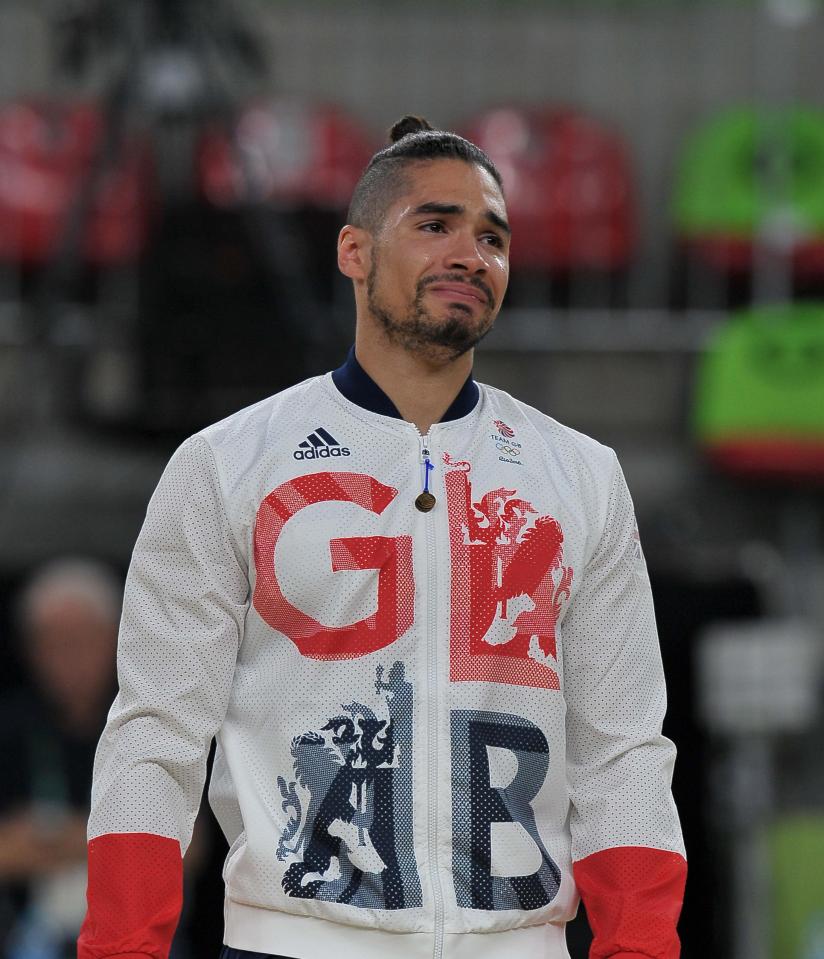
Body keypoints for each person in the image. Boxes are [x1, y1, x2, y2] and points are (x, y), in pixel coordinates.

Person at [77, 115, 687, 959]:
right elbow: (156, 737)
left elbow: (621, 749)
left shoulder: (581, 475)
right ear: (354, 251)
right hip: (293, 940)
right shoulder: (224, 464)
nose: (470, 254)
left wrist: (643, 947)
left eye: (492, 236)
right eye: (434, 225)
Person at [0, 559, 120, 957]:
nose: (69, 658)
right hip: (31, 931)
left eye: (83, 639)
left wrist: (47, 839)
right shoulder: (11, 725)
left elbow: (190, 848)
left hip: (133, 924)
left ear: (116, 638)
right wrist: (108, 840)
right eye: (52, 642)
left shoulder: (149, 721)